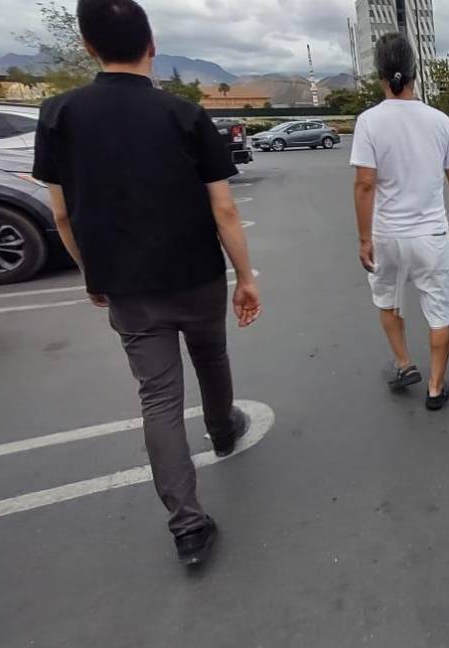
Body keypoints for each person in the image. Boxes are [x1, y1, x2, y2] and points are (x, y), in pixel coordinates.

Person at [33, 0, 261, 565]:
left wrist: (92, 274)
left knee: (157, 397)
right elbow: (225, 211)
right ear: (151, 43)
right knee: (210, 357)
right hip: (197, 275)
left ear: (88, 46)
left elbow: (61, 214)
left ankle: (187, 526)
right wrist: (245, 277)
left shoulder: (59, 114)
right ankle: (222, 427)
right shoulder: (183, 115)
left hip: (127, 287)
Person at [352, 32, 449, 411]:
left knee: (389, 301)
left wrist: (364, 238)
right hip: (431, 235)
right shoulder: (439, 121)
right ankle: (435, 386)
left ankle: (403, 364)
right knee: (439, 310)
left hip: (387, 235)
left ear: (380, 75)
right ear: (415, 72)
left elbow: (365, 183)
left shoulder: (368, 121)